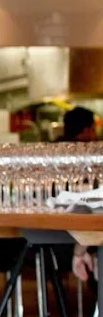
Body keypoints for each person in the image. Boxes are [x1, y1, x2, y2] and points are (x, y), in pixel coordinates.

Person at [61, 108, 98, 279]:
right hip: (82, 235)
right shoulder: (93, 155)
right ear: (86, 130)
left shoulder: (53, 151)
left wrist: (79, 251)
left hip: (60, 235)